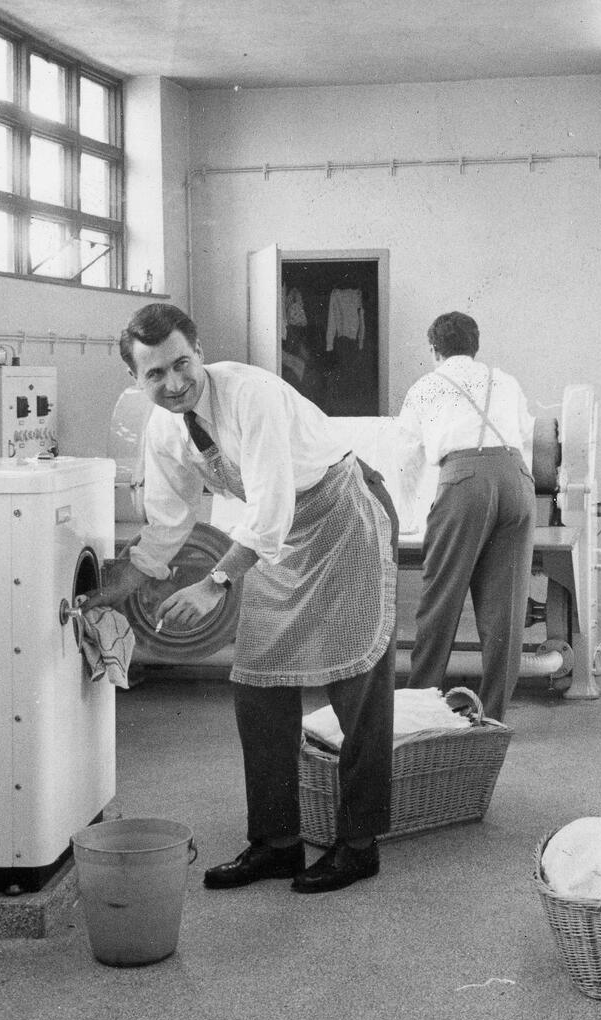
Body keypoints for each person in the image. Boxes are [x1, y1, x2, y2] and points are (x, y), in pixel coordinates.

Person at [83, 302, 399, 894]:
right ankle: (276, 843)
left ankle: (359, 844)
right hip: (277, 540)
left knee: (358, 682)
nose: (174, 384)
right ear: (136, 379)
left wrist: (215, 581)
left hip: (340, 516)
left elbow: (271, 505)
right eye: (155, 375)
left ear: (199, 350)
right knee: (256, 683)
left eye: (182, 364)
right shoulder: (164, 427)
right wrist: (131, 576)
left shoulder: (249, 395)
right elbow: (172, 515)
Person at [395, 311, 536, 719]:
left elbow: (407, 457)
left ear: (434, 349)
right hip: (517, 481)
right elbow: (525, 435)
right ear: (476, 346)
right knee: (505, 610)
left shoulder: (425, 386)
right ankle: (492, 715)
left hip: (464, 481)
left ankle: (419, 710)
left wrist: (407, 514)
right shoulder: (505, 380)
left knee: (441, 600)